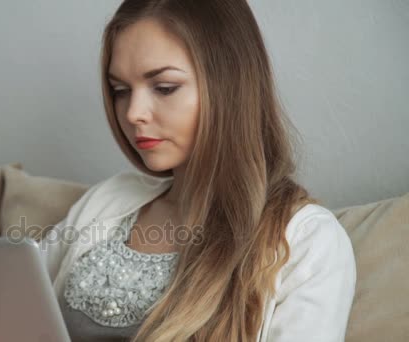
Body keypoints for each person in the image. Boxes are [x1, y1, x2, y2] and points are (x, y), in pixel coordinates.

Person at [36, 1, 356, 341]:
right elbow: (13, 300)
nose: (133, 113)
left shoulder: (309, 241)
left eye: (164, 88)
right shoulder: (109, 198)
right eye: (120, 91)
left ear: (230, 85)